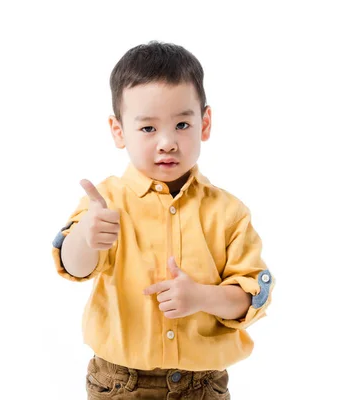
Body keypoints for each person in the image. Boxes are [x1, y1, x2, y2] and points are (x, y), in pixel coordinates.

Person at [51, 41, 275, 399]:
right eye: (148, 129)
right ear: (118, 130)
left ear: (205, 123)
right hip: (119, 384)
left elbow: (249, 297)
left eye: (182, 124)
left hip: (202, 386)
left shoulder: (229, 212)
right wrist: (85, 236)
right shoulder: (105, 203)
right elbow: (74, 267)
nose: (168, 142)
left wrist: (201, 297)